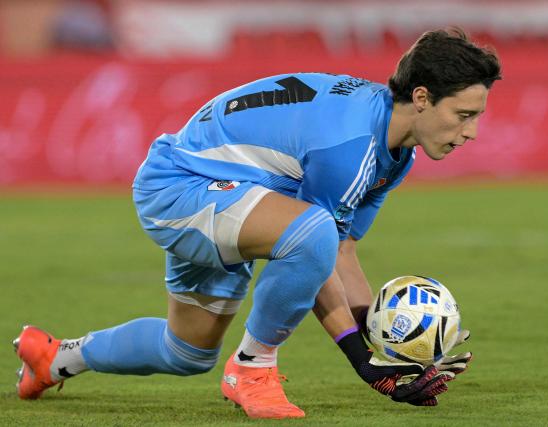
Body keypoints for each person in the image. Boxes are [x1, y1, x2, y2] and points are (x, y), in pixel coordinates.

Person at [13, 28, 501, 419]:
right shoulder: (351, 146)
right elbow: (318, 245)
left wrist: (387, 352)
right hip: (181, 187)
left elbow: (343, 250)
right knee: (310, 232)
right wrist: (361, 358)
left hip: (232, 196)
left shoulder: (392, 150)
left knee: (186, 352)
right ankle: (252, 368)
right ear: (421, 97)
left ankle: (54, 358)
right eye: (463, 114)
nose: (471, 132)